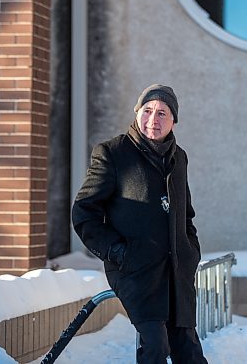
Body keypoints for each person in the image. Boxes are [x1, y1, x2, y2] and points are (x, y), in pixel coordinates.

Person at [72, 84, 208, 363]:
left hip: (176, 275)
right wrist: (118, 252)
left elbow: (186, 215)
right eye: (147, 111)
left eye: (162, 113)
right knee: (155, 347)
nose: (153, 119)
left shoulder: (178, 157)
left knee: (190, 351)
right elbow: (84, 211)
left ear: (173, 121)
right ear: (137, 113)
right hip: (135, 271)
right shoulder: (112, 153)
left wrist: (190, 250)